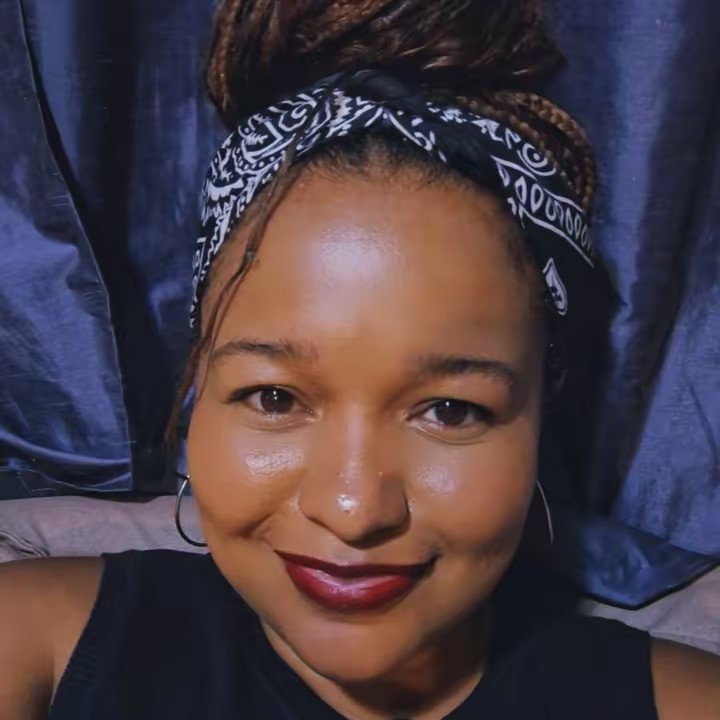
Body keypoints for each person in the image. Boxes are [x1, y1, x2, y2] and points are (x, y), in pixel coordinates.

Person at [1, 1, 719, 718]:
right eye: (275, 398)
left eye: (450, 410)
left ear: (540, 412)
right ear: (198, 391)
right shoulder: (36, 641)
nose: (354, 510)